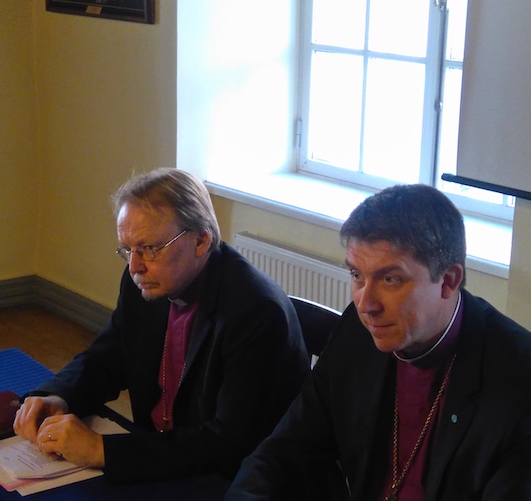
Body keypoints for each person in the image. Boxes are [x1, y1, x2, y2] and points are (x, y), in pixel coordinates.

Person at [225, 184, 531, 501]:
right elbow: (284, 452)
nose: (366, 304)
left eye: (390, 279)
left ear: (448, 281)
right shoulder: (358, 333)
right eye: (357, 275)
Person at [13, 168, 309, 489]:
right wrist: (57, 395)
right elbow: (107, 358)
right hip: (157, 457)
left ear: (200, 240)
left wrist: (102, 450)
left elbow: (230, 442)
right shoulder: (148, 280)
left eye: (149, 248)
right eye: (127, 249)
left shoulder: (256, 312)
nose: (135, 266)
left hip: (229, 482)